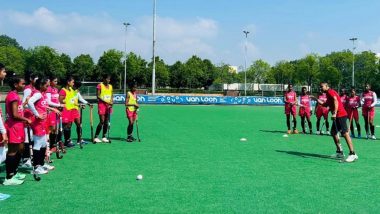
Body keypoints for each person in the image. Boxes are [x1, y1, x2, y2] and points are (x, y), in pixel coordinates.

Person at [311, 82, 358, 163]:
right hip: (338, 115)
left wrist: (335, 113)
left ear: (327, 86)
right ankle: (339, 152)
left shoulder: (330, 92)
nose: (320, 88)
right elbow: (325, 104)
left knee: (345, 133)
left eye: (322, 86)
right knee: (333, 132)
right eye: (320, 87)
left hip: (340, 115)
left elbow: (336, 101)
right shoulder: (328, 94)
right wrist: (315, 99)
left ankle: (352, 154)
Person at [4, 76, 32, 185]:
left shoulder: (15, 96)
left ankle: (15, 172)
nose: (24, 86)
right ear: (16, 85)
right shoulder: (13, 96)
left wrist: (24, 104)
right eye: (22, 84)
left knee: (21, 148)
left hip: (19, 126)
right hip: (13, 127)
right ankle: (9, 177)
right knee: (12, 151)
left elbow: (18, 110)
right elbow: (15, 115)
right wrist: (26, 119)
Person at [28, 78, 60, 173]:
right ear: (41, 85)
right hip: (37, 122)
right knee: (38, 144)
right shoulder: (37, 93)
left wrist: (52, 109)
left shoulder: (41, 94)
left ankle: (41, 164)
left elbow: (41, 105)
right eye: (46, 86)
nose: (48, 87)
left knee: (43, 144)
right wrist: (37, 114)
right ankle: (36, 167)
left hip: (42, 122)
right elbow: (29, 103)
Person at [21, 73, 38, 168]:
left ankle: (28, 157)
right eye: (36, 78)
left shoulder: (34, 89)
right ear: (31, 79)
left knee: (31, 137)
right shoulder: (28, 89)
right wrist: (33, 105)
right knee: (27, 138)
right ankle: (25, 159)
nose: (37, 80)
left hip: (32, 114)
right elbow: (25, 103)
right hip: (27, 115)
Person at [46, 76, 64, 152]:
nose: (56, 83)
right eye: (55, 81)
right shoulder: (48, 89)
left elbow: (57, 100)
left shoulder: (56, 89)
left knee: (56, 129)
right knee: (51, 129)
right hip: (51, 111)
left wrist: (60, 105)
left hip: (56, 111)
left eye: (57, 81)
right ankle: (49, 146)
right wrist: (59, 105)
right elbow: (48, 102)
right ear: (50, 81)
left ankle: (53, 145)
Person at [93, 75, 113, 143]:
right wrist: (106, 101)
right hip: (102, 105)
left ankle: (104, 137)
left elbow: (111, 94)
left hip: (108, 105)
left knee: (106, 122)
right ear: (104, 79)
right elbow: (98, 96)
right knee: (102, 121)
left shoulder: (110, 86)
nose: (108, 80)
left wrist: (111, 102)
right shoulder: (100, 85)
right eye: (107, 79)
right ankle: (96, 137)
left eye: (109, 79)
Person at [59, 76, 77, 148]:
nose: (73, 83)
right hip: (65, 110)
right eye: (72, 82)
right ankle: (59, 142)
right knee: (63, 126)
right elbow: (60, 100)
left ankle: (67, 141)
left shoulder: (71, 90)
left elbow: (73, 99)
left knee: (69, 126)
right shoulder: (63, 90)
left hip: (71, 110)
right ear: (68, 82)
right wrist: (65, 102)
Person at [73, 81, 91, 145]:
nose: (77, 88)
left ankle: (79, 139)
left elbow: (80, 98)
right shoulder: (69, 91)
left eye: (78, 87)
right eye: (77, 87)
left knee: (79, 124)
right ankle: (67, 141)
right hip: (68, 110)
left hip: (75, 109)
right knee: (67, 126)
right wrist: (79, 105)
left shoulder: (76, 91)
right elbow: (70, 101)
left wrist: (87, 103)